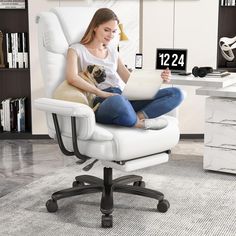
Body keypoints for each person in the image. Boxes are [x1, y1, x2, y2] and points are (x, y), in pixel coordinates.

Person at [66, 8, 184, 130]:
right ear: (95, 27)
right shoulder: (76, 50)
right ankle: (139, 124)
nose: (110, 35)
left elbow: (130, 80)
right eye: (106, 30)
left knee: (177, 93)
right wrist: (102, 93)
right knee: (117, 100)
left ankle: (137, 117)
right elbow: (72, 78)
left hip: (123, 97)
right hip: (103, 102)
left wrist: (159, 80)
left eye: (114, 31)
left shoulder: (112, 51)